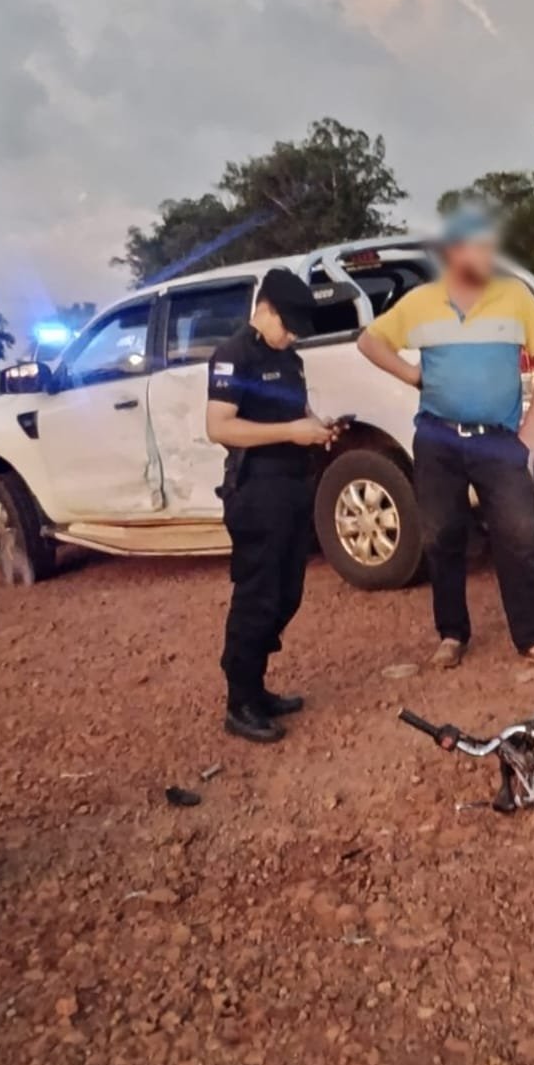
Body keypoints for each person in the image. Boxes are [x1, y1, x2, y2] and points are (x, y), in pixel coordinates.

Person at [357, 208, 534, 667]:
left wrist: (531, 429)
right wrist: (412, 375)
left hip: (499, 440)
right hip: (438, 438)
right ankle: (452, 634)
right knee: (442, 536)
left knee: (519, 538)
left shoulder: (515, 297)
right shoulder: (421, 302)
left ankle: (532, 638)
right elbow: (369, 342)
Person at [206, 267, 339, 742]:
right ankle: (240, 701)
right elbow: (219, 427)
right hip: (256, 492)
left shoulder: (291, 359)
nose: (294, 334)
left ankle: (257, 688)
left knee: (287, 594)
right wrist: (289, 433)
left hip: (291, 486)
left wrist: (316, 425)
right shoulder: (233, 355)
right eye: (291, 324)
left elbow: (295, 411)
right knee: (257, 598)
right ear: (266, 310)